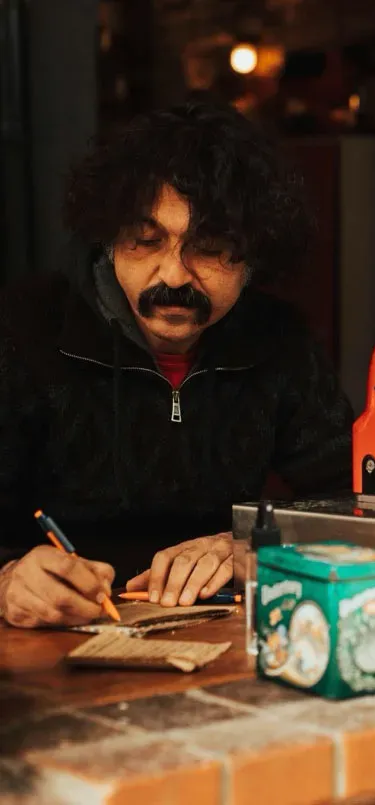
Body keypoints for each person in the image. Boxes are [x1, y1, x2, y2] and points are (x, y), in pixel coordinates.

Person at [0, 102, 354, 628]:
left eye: (209, 249)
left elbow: (353, 503)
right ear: (109, 238)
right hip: (49, 638)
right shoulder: (24, 329)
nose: (174, 274)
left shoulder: (279, 340)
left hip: (218, 632)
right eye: (146, 240)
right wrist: (7, 580)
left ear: (253, 256)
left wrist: (256, 547)